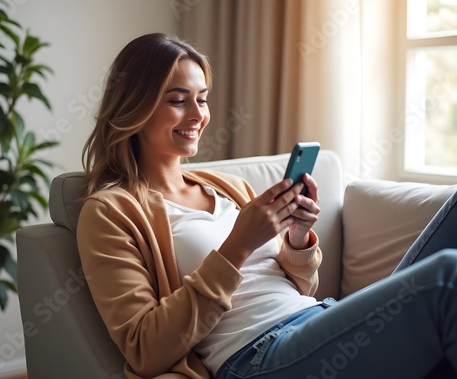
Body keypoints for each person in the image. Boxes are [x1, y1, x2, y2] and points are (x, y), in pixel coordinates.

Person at [77, 33, 457, 379]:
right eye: (177, 100)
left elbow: (297, 288)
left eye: (203, 98)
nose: (197, 114)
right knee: (446, 277)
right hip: (256, 356)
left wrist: (296, 237)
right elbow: (145, 349)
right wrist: (238, 245)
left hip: (315, 318)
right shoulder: (111, 212)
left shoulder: (228, 187)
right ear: (134, 106)